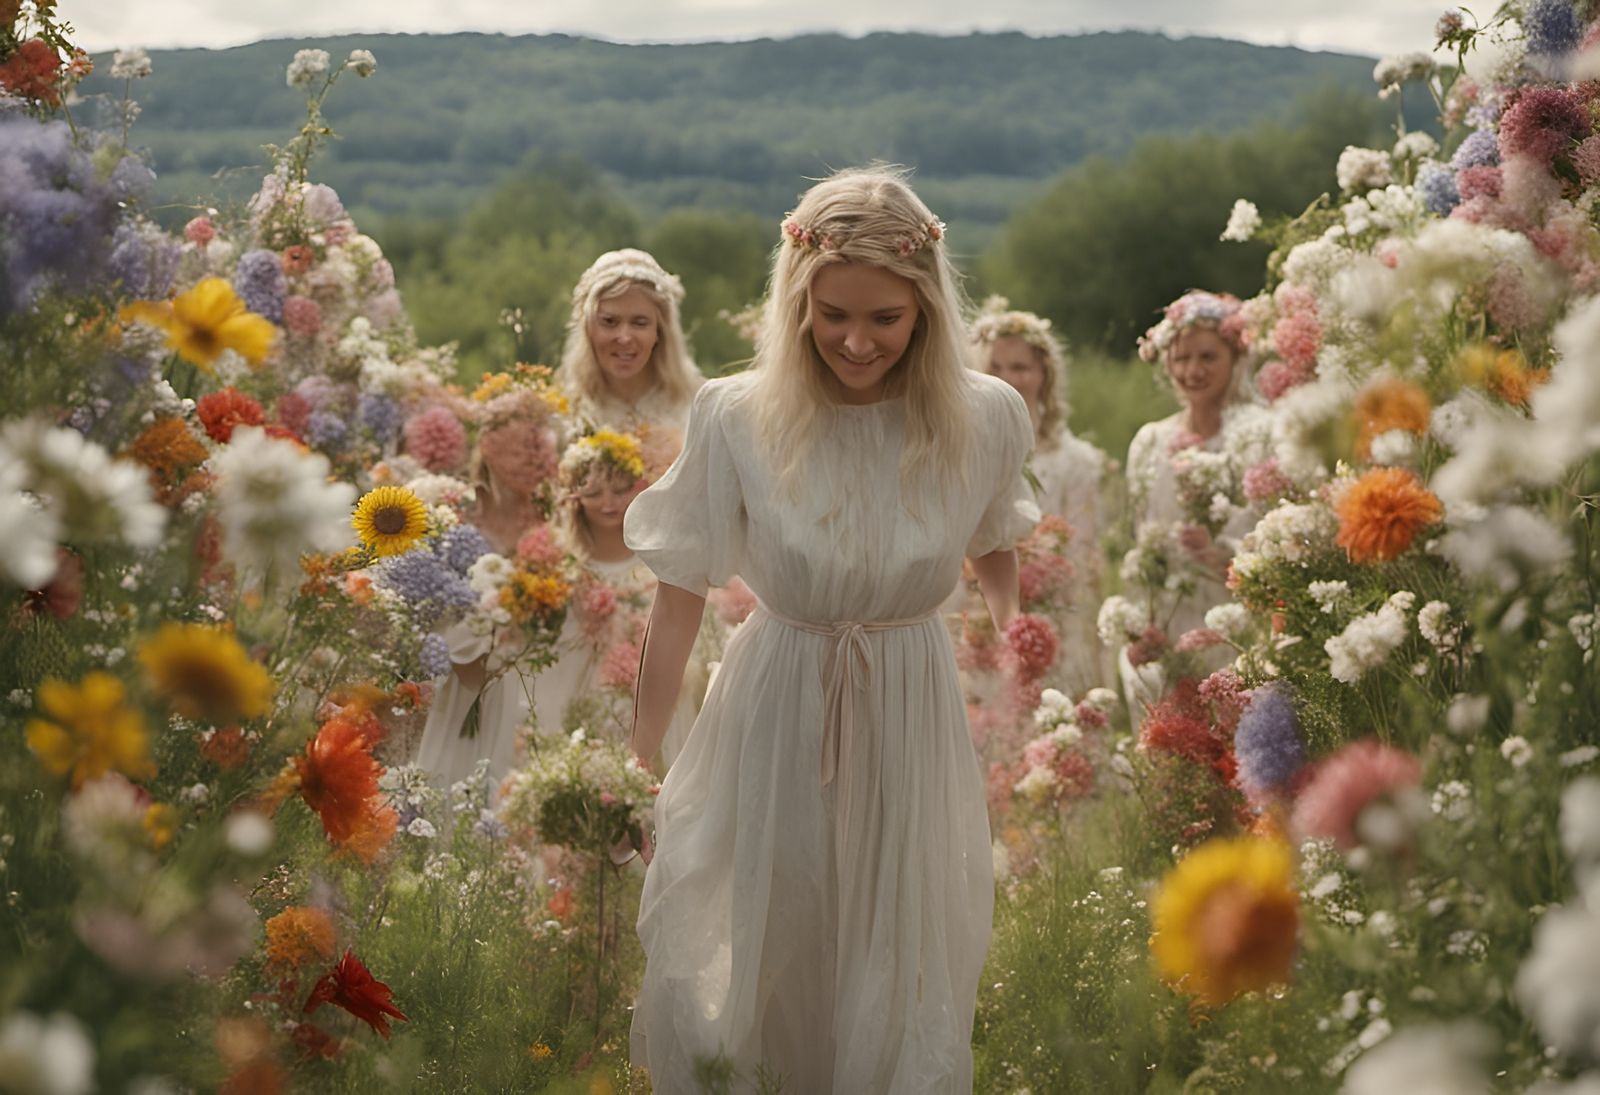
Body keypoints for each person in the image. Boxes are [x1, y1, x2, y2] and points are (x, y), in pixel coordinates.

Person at [622, 167, 1037, 1092]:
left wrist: (1019, 660)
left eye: (885, 318)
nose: (856, 341)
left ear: (925, 308)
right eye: (833, 314)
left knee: (902, 932)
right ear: (796, 301)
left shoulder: (985, 415)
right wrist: (637, 755)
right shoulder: (738, 413)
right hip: (778, 693)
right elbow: (679, 594)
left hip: (911, 697)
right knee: (769, 920)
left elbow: (992, 538)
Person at [1117, 290, 1270, 720]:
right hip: (1170, 618)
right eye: (1181, 358)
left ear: (1236, 357)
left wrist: (1225, 555)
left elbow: (1276, 531)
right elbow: (1141, 540)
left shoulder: (1261, 434)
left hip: (1238, 619)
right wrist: (1142, 622)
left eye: (1207, 357)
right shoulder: (1150, 441)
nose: (1192, 370)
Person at [526, 429, 700, 766]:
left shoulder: (659, 556)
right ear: (575, 496)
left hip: (646, 684)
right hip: (576, 683)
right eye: (594, 493)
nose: (608, 504)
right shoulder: (561, 560)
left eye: (620, 491)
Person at [412, 396, 561, 790]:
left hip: (533, 681)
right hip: (463, 679)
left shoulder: (559, 519)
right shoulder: (454, 512)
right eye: (519, 450)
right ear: (489, 450)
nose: (532, 461)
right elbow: (428, 596)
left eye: (540, 451)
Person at [970, 296, 1108, 694]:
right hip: (976, 608)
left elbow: (1082, 553)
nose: (1006, 378)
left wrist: (1033, 571)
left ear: (1043, 375)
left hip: (1051, 608)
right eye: (995, 368)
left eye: (1019, 368)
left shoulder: (1076, 461)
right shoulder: (966, 452)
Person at [559, 248, 703, 453]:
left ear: (659, 331)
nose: (624, 338)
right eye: (610, 322)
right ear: (588, 328)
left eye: (639, 323)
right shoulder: (562, 415)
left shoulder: (697, 409)